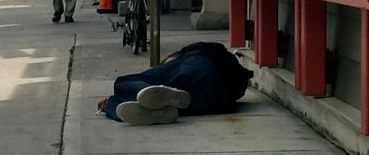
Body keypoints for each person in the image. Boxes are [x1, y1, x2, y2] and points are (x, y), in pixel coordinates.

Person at [97, 42, 254, 125]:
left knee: (122, 83)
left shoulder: (189, 56)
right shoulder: (223, 61)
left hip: (199, 70)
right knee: (182, 101)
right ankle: (159, 107)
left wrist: (166, 62)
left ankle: (112, 104)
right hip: (217, 99)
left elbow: (176, 59)